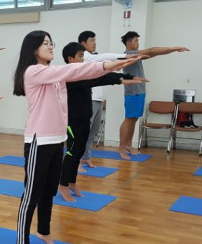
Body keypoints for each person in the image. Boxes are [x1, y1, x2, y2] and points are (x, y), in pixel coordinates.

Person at [12, 30, 140, 244]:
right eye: (45, 44)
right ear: (33, 49)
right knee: (32, 193)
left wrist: (114, 70)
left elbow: (82, 75)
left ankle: (44, 231)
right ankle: (22, 241)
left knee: (49, 191)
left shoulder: (54, 75)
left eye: (51, 42)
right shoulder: (34, 71)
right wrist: (107, 64)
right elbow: (74, 69)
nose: (50, 47)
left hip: (56, 139)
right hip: (38, 141)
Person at [57, 42, 146, 202]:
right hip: (73, 122)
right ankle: (63, 186)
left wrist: (128, 77)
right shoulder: (69, 76)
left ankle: (72, 183)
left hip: (84, 119)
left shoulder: (81, 73)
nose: (83, 60)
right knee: (71, 153)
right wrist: (122, 79)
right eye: (80, 57)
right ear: (70, 59)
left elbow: (97, 77)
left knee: (78, 153)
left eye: (83, 56)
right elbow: (96, 79)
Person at [119, 31, 189, 160]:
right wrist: (174, 48)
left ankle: (128, 145)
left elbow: (152, 53)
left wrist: (169, 50)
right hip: (132, 93)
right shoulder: (129, 55)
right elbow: (152, 51)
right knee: (129, 119)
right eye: (135, 41)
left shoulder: (136, 55)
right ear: (128, 43)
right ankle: (122, 148)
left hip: (140, 91)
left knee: (134, 119)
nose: (137, 43)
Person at [77, 30, 130, 169]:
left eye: (95, 40)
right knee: (83, 133)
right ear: (83, 43)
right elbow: (105, 57)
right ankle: (76, 162)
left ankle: (85, 157)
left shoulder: (93, 57)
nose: (95, 43)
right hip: (89, 99)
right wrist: (124, 56)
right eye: (92, 41)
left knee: (93, 133)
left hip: (98, 99)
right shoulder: (86, 57)